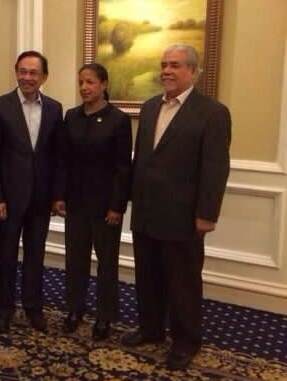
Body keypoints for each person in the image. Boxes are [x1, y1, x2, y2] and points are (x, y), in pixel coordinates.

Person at [121, 44, 231, 370]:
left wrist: (207, 214)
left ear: (193, 72)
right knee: (148, 276)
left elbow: (215, 167)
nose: (167, 70)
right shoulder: (152, 106)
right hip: (146, 211)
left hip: (184, 216)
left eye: (176, 65)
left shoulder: (212, 112)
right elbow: (143, 159)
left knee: (182, 282)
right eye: (164, 64)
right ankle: (151, 329)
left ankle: (186, 341)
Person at [52, 63, 132, 341]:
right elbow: (62, 161)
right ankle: (74, 310)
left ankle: (104, 316)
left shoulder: (118, 120)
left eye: (91, 83)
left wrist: (117, 206)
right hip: (75, 203)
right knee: (75, 260)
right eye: (81, 82)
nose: (85, 88)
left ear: (104, 85)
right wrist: (59, 195)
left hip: (105, 207)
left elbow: (124, 168)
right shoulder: (71, 117)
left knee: (107, 263)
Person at [0, 51, 63, 333]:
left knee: (36, 255)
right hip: (7, 199)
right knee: (5, 256)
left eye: (33, 72)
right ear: (16, 72)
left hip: (41, 198)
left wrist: (57, 195)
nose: (27, 77)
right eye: (22, 71)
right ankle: (3, 310)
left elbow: (57, 156)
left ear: (44, 77)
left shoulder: (55, 108)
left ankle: (33, 308)